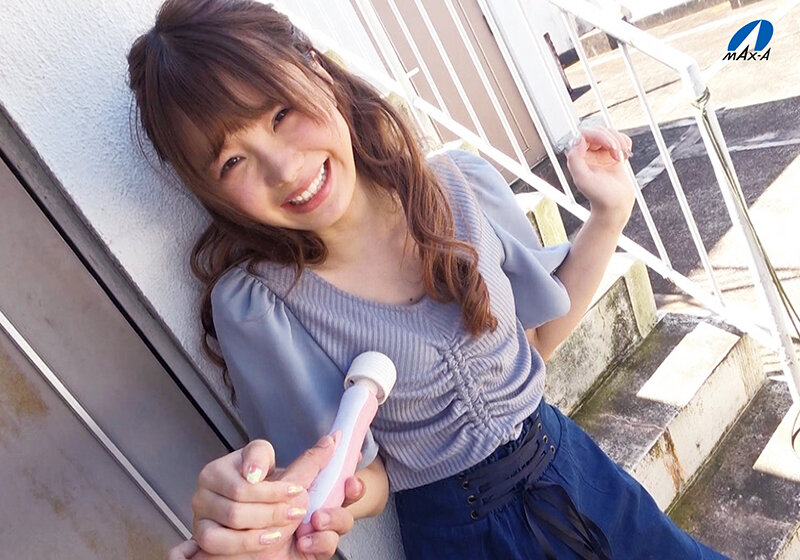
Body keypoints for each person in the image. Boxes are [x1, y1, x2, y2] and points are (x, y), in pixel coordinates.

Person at [127, 1, 731, 559]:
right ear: (209, 190)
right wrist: (288, 511)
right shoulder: (264, 306)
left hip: (580, 473)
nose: (283, 168)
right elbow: (357, 478)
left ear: (316, 69)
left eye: (280, 113)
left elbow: (536, 341)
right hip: (461, 538)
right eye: (233, 160)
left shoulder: (459, 187)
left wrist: (609, 213)